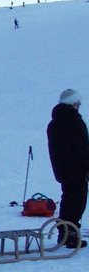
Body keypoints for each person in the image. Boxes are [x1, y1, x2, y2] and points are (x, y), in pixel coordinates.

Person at [47, 89, 89, 248]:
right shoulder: (74, 122)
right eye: (77, 102)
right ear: (72, 103)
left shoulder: (55, 122)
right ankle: (71, 235)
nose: (79, 105)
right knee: (77, 202)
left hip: (62, 169)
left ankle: (64, 233)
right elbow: (82, 148)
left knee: (68, 200)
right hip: (77, 170)